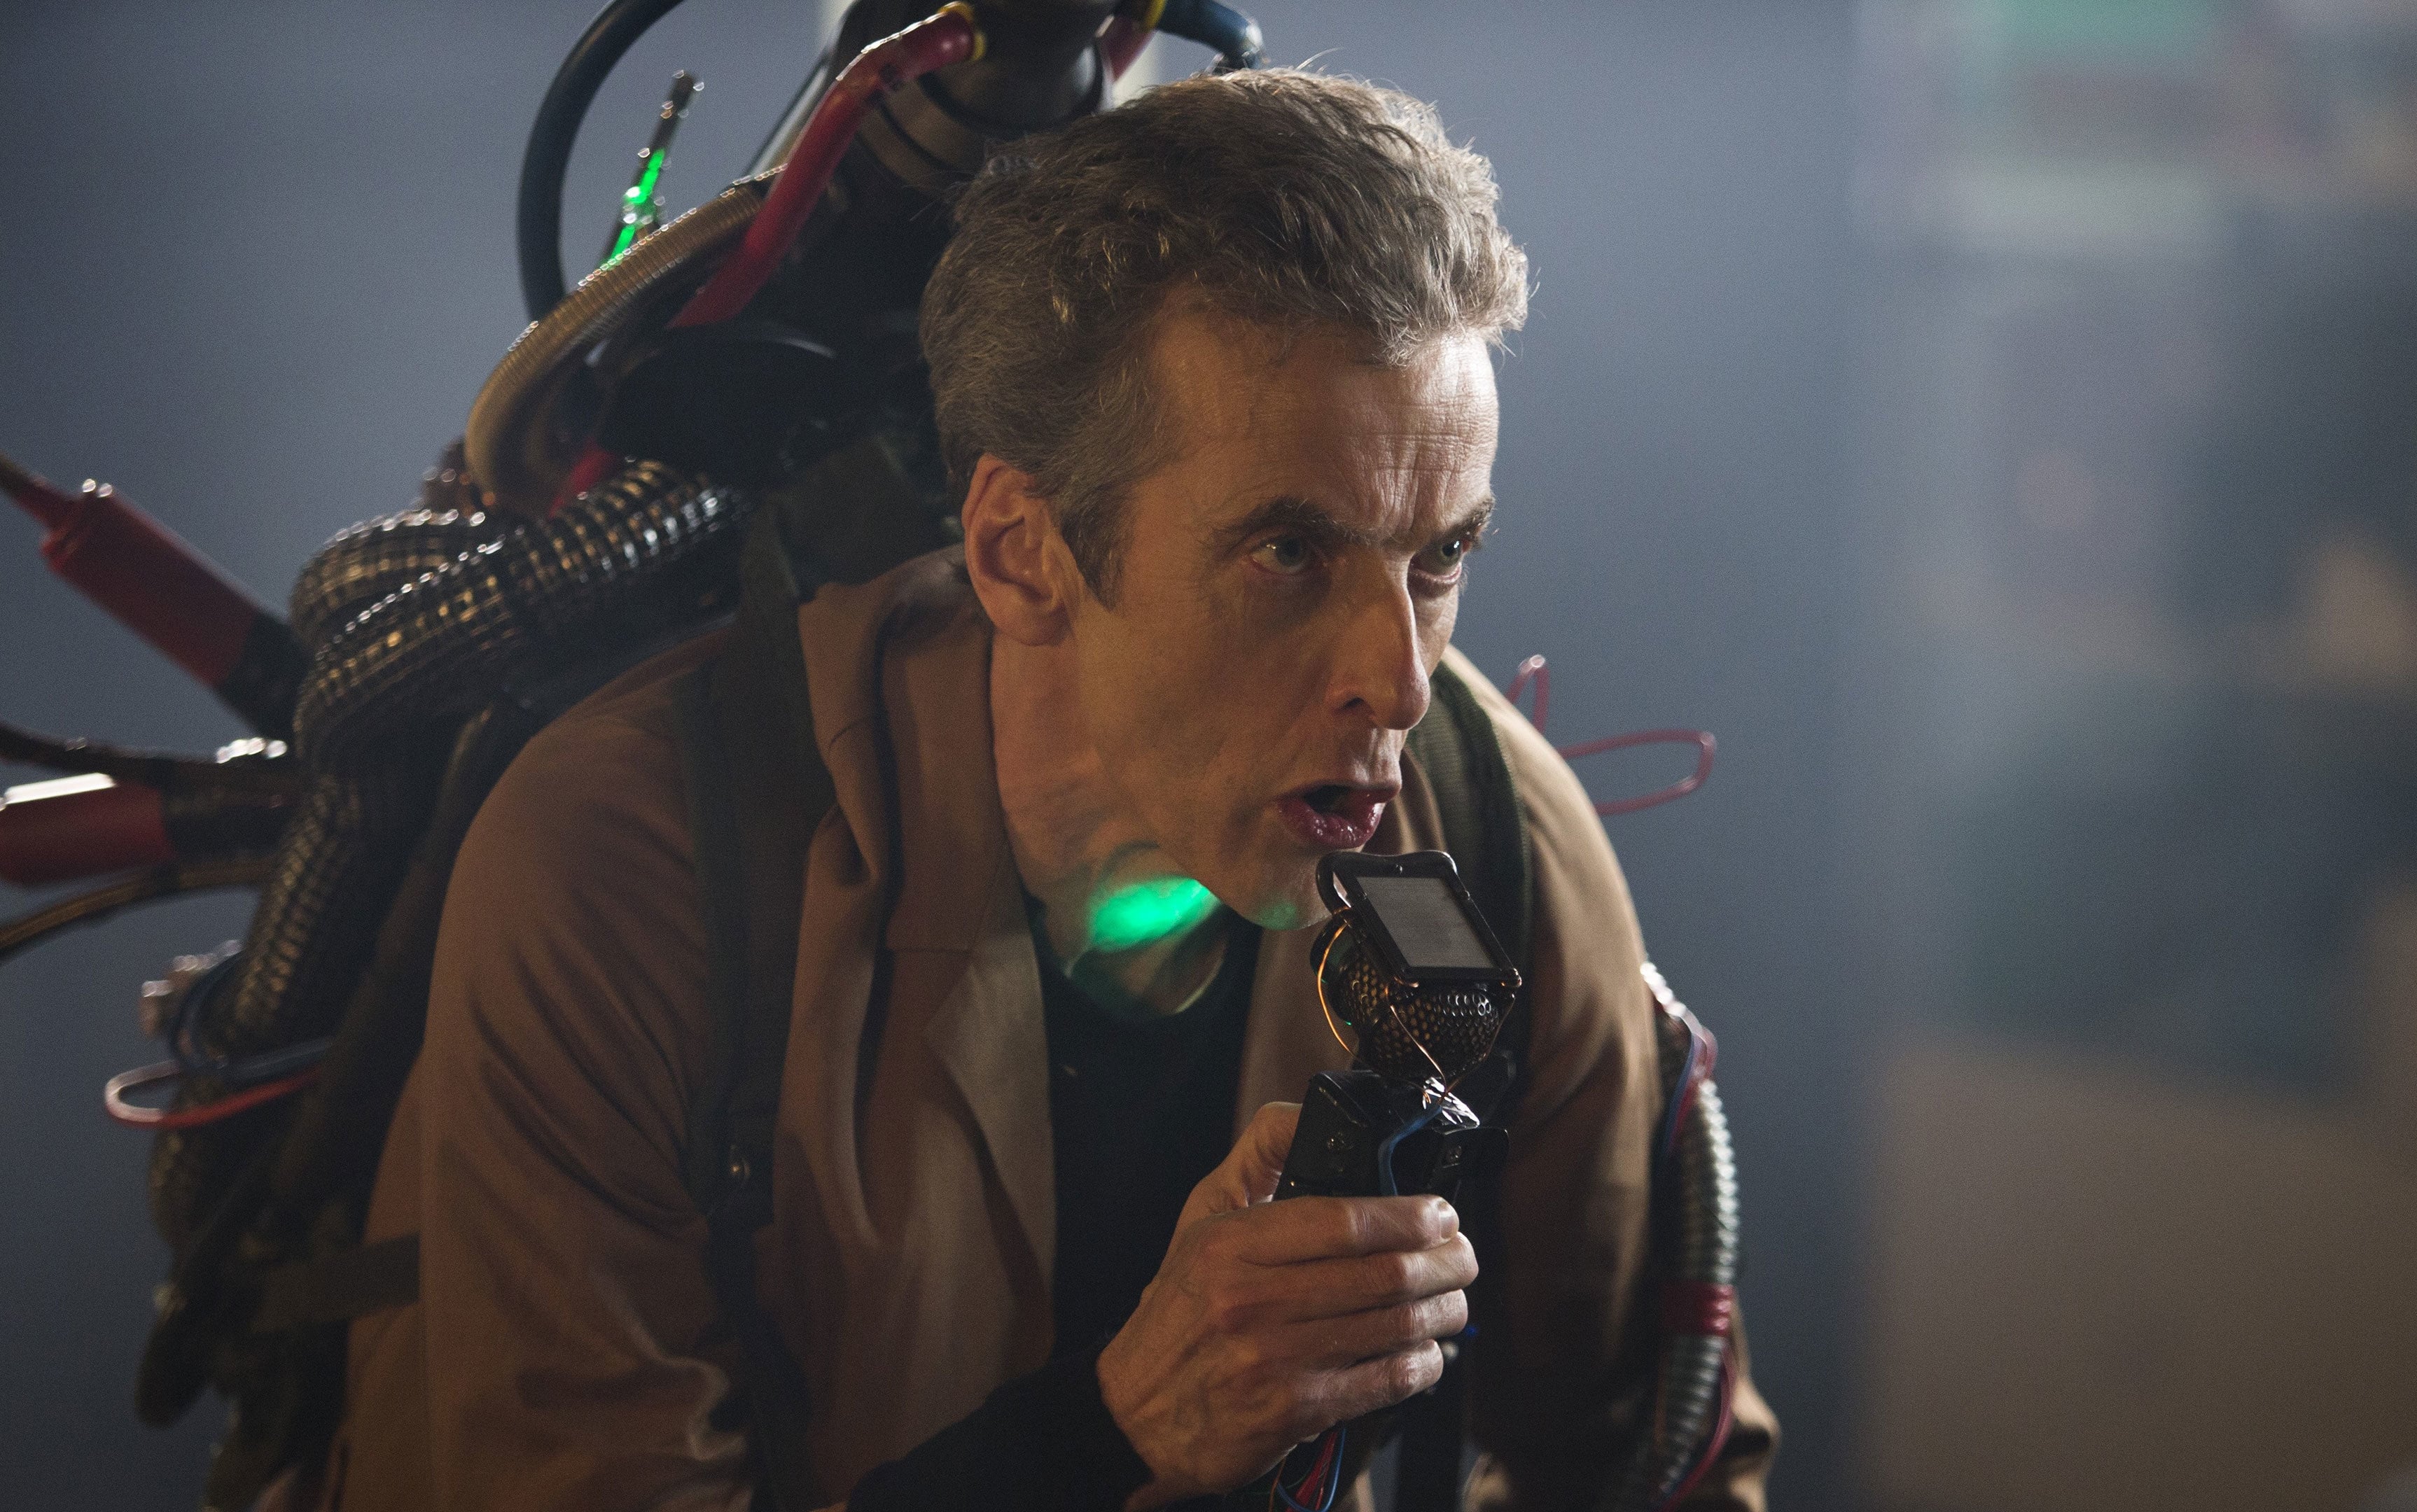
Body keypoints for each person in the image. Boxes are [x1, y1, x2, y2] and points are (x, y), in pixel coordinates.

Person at [309, 68, 1775, 1511]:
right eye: (1289, 554)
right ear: (1022, 554)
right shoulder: (628, 879)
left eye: (1437, 557)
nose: (1396, 684)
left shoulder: (1493, 836)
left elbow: (1661, 1473)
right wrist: (1117, 1433)